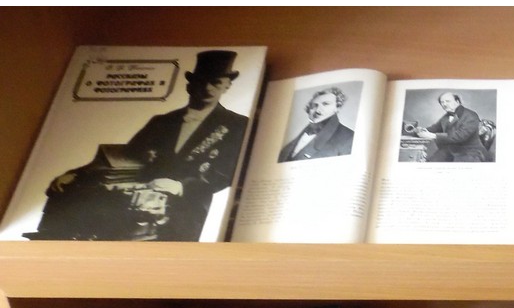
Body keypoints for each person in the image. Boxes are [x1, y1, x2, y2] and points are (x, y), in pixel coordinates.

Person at [40, 50, 249, 240]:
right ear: (191, 84)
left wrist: (181, 186)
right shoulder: (162, 121)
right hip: (138, 211)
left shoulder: (237, 124)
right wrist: (76, 174)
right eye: (202, 81)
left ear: (227, 86)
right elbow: (123, 158)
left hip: (187, 212)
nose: (208, 88)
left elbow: (230, 172)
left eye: (216, 82)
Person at [278, 86, 354, 162]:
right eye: (314, 106)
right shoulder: (303, 134)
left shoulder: (349, 138)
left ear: (337, 107)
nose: (317, 110)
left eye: (326, 104)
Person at [416, 91, 486, 162]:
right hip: (450, 150)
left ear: (457, 102)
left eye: (448, 101)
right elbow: (435, 128)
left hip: (470, 152)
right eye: (442, 102)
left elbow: (459, 136)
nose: (444, 104)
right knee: (430, 163)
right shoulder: (446, 116)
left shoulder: (471, 115)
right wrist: (421, 130)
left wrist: (434, 136)